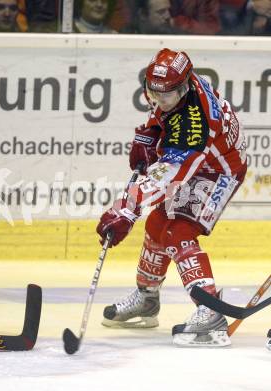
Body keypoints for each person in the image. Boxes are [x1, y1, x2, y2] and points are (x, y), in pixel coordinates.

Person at [96, 48, 247, 347]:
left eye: (166, 95)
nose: (158, 99)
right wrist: (150, 133)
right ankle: (147, 299)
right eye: (154, 91)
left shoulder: (194, 126)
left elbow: (165, 176)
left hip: (218, 171)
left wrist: (125, 210)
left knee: (178, 231)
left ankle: (211, 311)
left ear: (184, 87)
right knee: (156, 223)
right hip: (201, 160)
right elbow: (163, 112)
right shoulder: (181, 84)